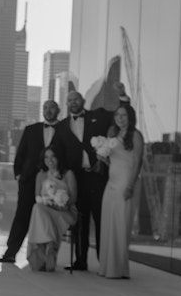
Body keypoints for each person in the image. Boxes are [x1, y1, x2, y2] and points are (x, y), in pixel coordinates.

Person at [56, 79, 129, 270]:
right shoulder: (62, 127)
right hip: (76, 179)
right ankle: (80, 260)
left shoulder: (99, 116)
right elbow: (59, 153)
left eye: (76, 99)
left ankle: (104, 260)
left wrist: (122, 96)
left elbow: (121, 116)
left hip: (98, 176)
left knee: (100, 218)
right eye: (70, 100)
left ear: (82, 102)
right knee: (80, 220)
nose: (73, 102)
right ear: (67, 105)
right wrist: (64, 175)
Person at [0, 99, 62, 263]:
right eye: (45, 107)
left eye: (52, 108)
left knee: (48, 217)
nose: (48, 110)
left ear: (58, 110)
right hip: (29, 181)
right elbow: (20, 153)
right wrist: (19, 175)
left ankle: (46, 257)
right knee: (22, 216)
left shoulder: (64, 130)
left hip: (54, 181)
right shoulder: (31, 130)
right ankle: (10, 252)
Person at [97, 103, 144, 278]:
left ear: (130, 117)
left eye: (124, 115)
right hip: (111, 181)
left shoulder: (136, 135)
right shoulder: (112, 134)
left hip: (126, 182)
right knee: (109, 223)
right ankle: (107, 267)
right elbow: (113, 161)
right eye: (118, 115)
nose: (120, 118)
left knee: (121, 225)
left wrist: (130, 185)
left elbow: (137, 161)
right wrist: (102, 158)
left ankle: (118, 270)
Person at [25, 146, 78, 272]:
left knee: (38, 211)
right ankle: (49, 243)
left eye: (53, 156)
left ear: (59, 157)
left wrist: (60, 202)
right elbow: (37, 196)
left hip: (64, 212)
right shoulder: (41, 175)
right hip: (46, 209)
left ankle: (47, 246)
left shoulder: (68, 174)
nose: (50, 160)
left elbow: (73, 198)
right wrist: (48, 202)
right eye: (46, 157)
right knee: (37, 208)